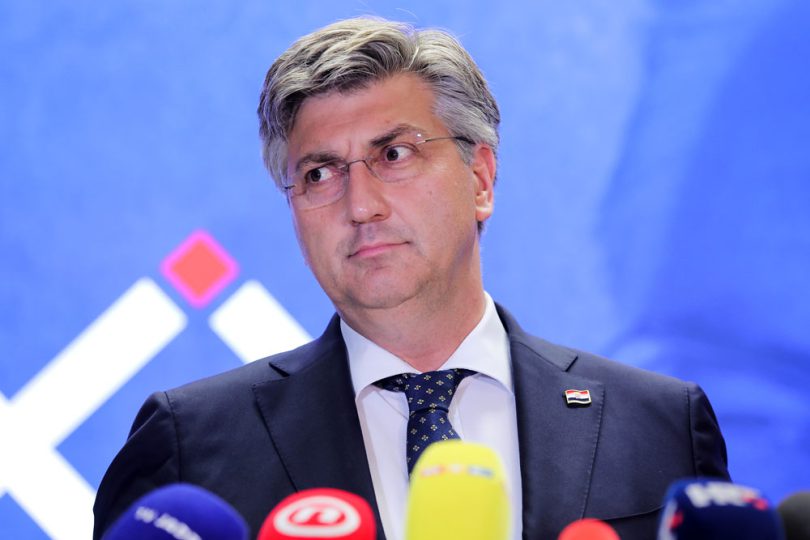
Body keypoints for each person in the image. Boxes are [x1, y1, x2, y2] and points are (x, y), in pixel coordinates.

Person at [93, 16, 729, 540]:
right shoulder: (193, 445)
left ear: (480, 179)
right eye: (319, 173)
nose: (360, 205)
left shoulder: (657, 423)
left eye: (394, 154)